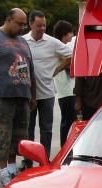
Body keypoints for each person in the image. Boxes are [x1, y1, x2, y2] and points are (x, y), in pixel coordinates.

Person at [0, 8, 36, 186]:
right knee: (2, 134)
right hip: (2, 96)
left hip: (22, 95)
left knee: (18, 135)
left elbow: (29, 68)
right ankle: (4, 171)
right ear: (8, 20)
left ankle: (13, 169)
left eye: (24, 24)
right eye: (19, 24)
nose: (22, 28)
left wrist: (32, 95)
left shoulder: (22, 41)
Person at [23, 10, 71, 166]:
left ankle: (44, 162)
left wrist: (57, 69)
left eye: (44, 25)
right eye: (39, 25)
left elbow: (72, 55)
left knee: (46, 130)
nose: (42, 28)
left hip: (47, 93)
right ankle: (28, 161)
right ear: (30, 24)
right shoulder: (22, 41)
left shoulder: (52, 42)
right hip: (28, 94)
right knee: (28, 130)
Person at [52, 20, 76, 148]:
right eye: (70, 32)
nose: (72, 35)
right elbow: (70, 63)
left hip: (67, 89)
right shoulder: (60, 48)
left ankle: (66, 147)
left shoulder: (61, 47)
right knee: (67, 121)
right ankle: (65, 147)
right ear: (64, 34)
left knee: (68, 120)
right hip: (65, 90)